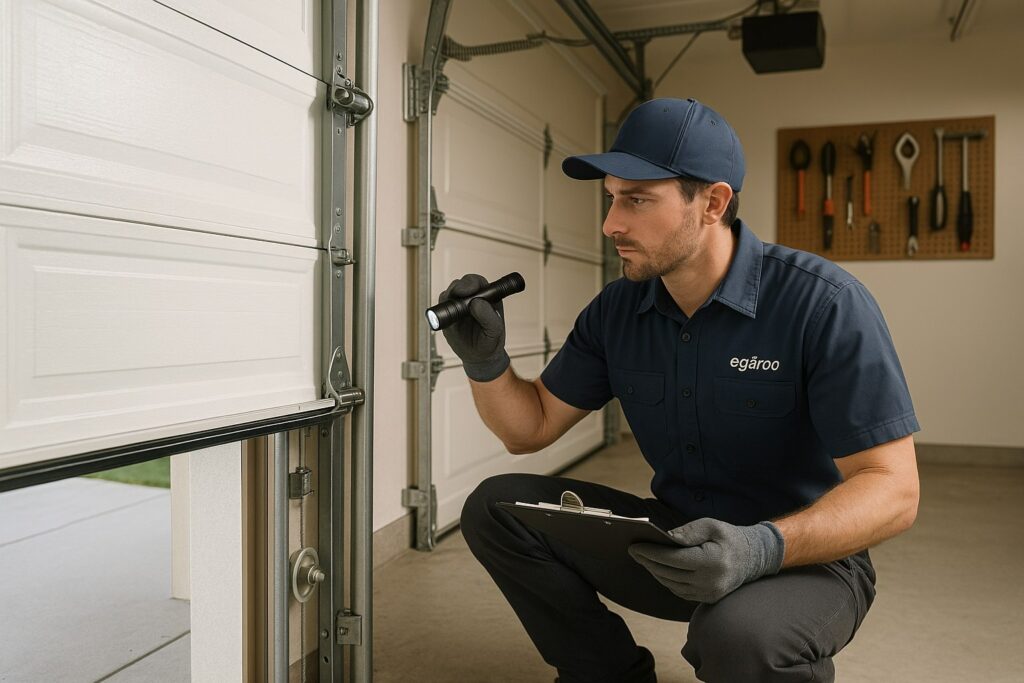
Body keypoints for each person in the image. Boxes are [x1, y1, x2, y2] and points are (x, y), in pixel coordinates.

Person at [443, 97, 920, 683]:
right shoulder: (618, 311)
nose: (611, 224)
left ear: (713, 203)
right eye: (611, 198)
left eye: (637, 200)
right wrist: (486, 362)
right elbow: (529, 427)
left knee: (738, 636)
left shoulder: (823, 304)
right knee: (496, 509)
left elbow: (895, 490)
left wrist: (760, 548)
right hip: (678, 542)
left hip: (804, 559)